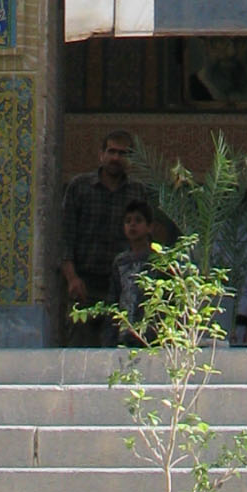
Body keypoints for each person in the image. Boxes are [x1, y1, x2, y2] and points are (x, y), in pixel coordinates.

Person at [60, 129, 147, 329]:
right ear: (101, 155)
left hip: (122, 282)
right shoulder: (79, 187)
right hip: (85, 282)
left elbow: (143, 238)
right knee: (80, 339)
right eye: (111, 151)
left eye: (122, 153)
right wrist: (72, 278)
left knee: (121, 339)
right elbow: (65, 236)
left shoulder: (137, 191)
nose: (116, 158)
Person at [110, 196, 163, 341]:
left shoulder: (159, 260)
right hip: (125, 330)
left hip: (152, 334)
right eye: (128, 221)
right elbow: (114, 298)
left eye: (138, 221)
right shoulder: (120, 262)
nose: (132, 225)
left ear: (150, 227)